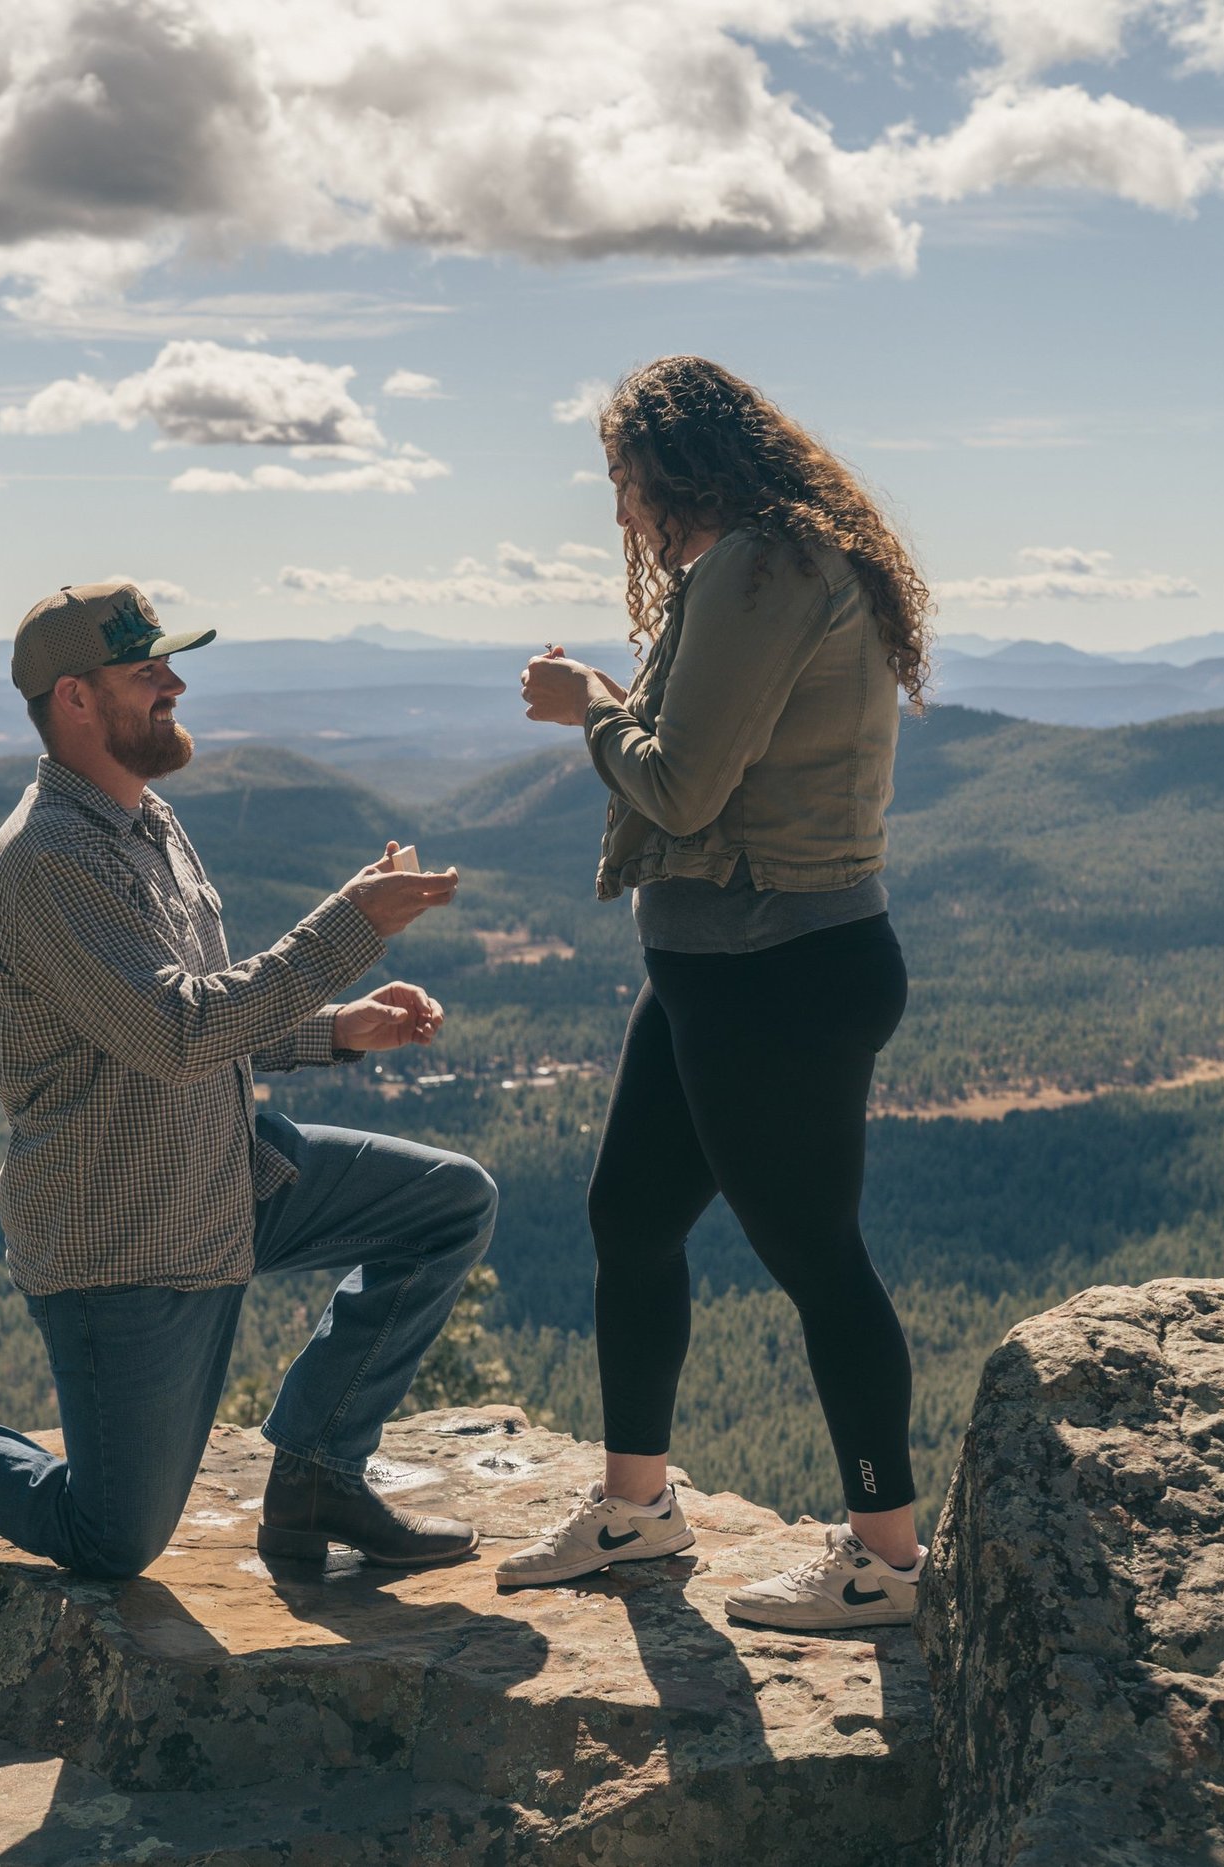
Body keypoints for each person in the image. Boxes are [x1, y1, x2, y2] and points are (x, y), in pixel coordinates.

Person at [0, 581, 496, 1577]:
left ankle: (316, 1471)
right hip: (126, 1241)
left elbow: (195, 1010)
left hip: (225, 1177)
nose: (174, 683)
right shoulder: (50, 858)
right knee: (109, 1541)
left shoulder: (149, 823)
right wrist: (348, 926)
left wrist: (334, 1031)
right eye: (146, 671)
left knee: (447, 1205)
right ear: (73, 699)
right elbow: (176, 1031)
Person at [493, 357, 935, 1631]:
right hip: (719, 967)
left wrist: (588, 707)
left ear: (678, 465)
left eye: (624, 481)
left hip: (772, 969)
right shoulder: (777, 557)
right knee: (629, 1215)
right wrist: (617, 711)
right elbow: (709, 766)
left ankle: (884, 1562)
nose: (622, 510)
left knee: (816, 1260)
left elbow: (681, 789)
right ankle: (637, 1509)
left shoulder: (764, 565)